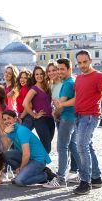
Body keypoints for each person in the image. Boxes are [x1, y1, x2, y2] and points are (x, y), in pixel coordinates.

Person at [56, 50, 102, 194]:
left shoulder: (99, 76)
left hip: (90, 117)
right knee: (88, 146)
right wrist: (62, 105)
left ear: (90, 60)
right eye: (79, 62)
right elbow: (77, 99)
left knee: (82, 145)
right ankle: (96, 178)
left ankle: (85, 182)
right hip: (78, 116)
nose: (82, 65)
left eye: (85, 62)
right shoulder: (79, 79)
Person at [43, 58, 81, 188]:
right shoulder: (71, 81)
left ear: (69, 69)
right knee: (73, 146)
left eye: (61, 69)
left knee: (62, 148)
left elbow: (60, 104)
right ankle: (84, 174)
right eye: (58, 69)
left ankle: (60, 179)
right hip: (72, 117)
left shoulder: (67, 83)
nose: (59, 72)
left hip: (66, 117)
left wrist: (54, 113)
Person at [1, 110, 52, 186]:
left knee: (19, 181)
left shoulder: (21, 130)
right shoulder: (11, 130)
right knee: (5, 154)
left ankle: (45, 175)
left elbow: (26, 154)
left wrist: (21, 168)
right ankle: (24, 172)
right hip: (28, 158)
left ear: (15, 119)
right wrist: (4, 134)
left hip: (38, 160)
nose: (6, 121)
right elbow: (6, 148)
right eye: (4, 119)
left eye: (9, 118)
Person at [23, 66, 55, 153]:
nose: (39, 76)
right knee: (47, 147)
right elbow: (25, 103)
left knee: (46, 145)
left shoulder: (47, 87)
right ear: (34, 76)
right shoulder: (34, 89)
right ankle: (39, 165)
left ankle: (38, 163)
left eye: (41, 74)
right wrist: (34, 115)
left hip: (50, 119)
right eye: (37, 74)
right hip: (41, 120)